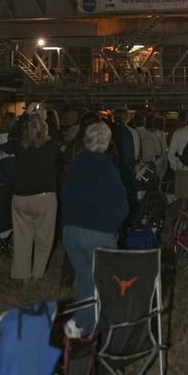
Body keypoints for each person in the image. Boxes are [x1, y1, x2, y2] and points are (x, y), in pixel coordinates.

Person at [62, 121, 129, 330]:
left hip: (71, 230)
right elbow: (121, 206)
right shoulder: (108, 169)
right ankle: (93, 329)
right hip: (97, 231)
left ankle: (79, 325)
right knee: (105, 283)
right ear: (108, 143)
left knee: (85, 283)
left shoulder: (73, 165)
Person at [10, 109, 61, 281]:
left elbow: (13, 133)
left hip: (21, 196)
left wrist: (27, 116)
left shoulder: (19, 147)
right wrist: (44, 119)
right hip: (44, 196)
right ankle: (37, 274)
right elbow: (56, 135)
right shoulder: (52, 147)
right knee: (44, 239)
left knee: (22, 238)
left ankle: (23, 275)